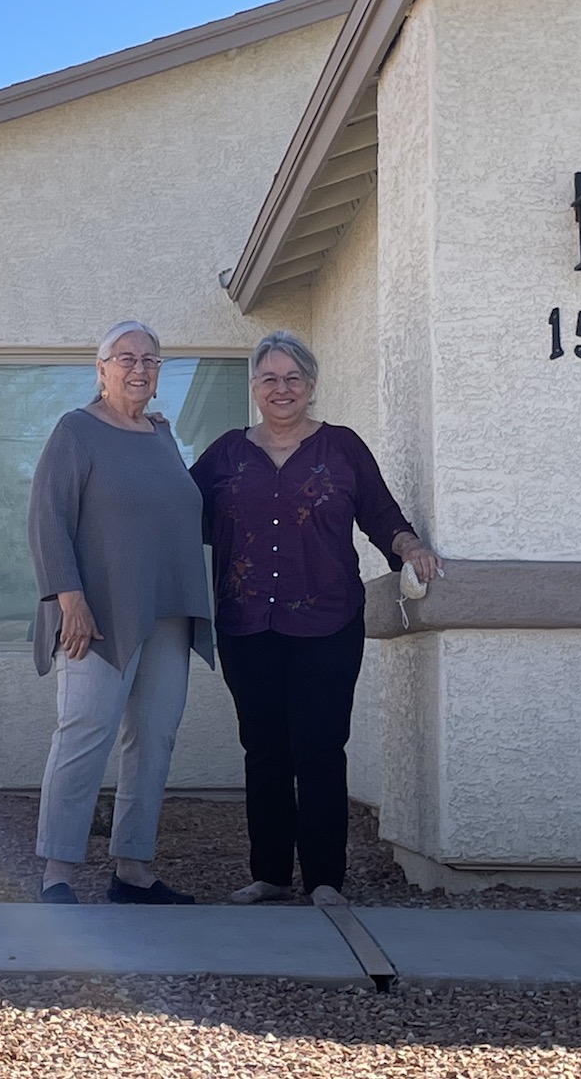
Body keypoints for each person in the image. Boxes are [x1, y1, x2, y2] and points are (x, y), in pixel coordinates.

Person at [190, 331, 442, 907]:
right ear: (254, 386)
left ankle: (326, 879)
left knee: (321, 748)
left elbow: (380, 512)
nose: (281, 389)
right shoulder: (227, 454)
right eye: (269, 379)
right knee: (264, 749)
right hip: (247, 623)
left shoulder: (342, 447)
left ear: (310, 386)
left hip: (328, 623)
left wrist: (408, 548)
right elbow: (181, 512)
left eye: (292, 378)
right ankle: (272, 875)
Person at [26, 320, 215, 905]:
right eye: (125, 357)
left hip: (168, 614)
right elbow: (47, 519)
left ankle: (131, 870)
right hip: (98, 615)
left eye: (151, 360)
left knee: (154, 738)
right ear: (101, 370)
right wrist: (69, 599)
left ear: (159, 376)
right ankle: (56, 873)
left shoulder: (162, 437)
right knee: (84, 733)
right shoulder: (75, 431)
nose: (139, 368)